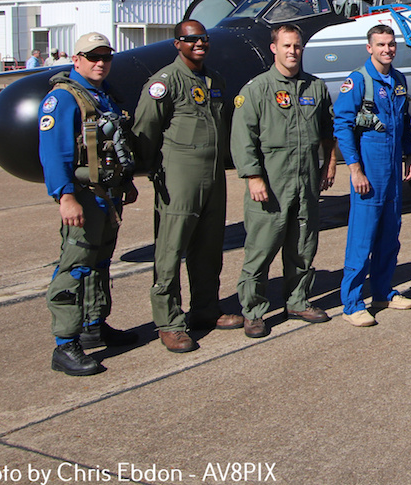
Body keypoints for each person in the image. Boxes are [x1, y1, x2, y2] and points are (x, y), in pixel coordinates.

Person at [134, 20, 243, 352]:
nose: (199, 44)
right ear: (177, 44)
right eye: (191, 39)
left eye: (203, 39)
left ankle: (206, 309)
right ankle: (169, 322)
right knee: (170, 250)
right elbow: (145, 131)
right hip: (179, 175)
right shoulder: (164, 83)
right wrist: (157, 170)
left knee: (209, 247)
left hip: (213, 176)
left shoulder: (215, 81)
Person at [39, 32, 139, 376]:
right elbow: (55, 153)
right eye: (92, 56)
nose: (100, 63)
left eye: (106, 57)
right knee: (76, 265)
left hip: (106, 196)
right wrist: (66, 197)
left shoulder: (103, 96)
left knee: (100, 262)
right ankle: (65, 343)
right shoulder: (63, 99)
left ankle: (95, 324)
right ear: (76, 59)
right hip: (82, 197)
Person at [231, 23, 336, 338]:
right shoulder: (257, 89)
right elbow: (243, 137)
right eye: (287, 46)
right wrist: (252, 177)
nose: (293, 52)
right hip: (270, 184)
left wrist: (328, 165)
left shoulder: (314, 88)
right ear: (273, 48)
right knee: (261, 249)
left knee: (303, 246)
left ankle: (298, 300)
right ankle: (253, 311)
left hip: (305, 182)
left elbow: (328, 131)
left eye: (297, 46)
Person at [333, 24, 411, 327]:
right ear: (369, 48)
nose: (387, 49)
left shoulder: (398, 80)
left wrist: (408, 154)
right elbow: (341, 126)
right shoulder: (358, 81)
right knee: (362, 236)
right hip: (368, 165)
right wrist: (354, 169)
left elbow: (404, 122)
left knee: (390, 234)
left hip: (393, 165)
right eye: (380, 44)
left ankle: (382, 291)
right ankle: (352, 302)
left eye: (391, 44)